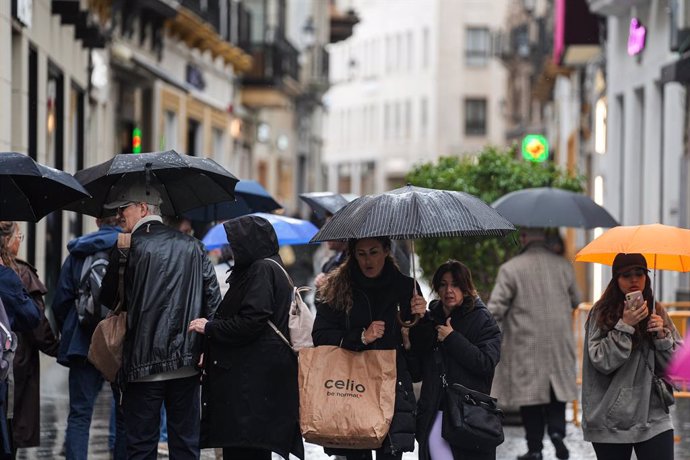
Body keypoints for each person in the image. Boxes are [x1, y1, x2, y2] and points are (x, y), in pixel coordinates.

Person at [100, 178, 221, 459]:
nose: (119, 215)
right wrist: (206, 349)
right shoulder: (194, 247)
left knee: (141, 446)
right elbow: (213, 302)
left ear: (143, 208)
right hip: (187, 363)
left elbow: (107, 298)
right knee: (185, 445)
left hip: (142, 365)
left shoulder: (126, 248)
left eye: (124, 209)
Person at [189, 215, 304, 460]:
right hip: (254, 381)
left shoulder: (261, 269)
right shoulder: (266, 267)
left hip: (251, 384)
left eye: (237, 242)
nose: (233, 247)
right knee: (250, 448)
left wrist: (210, 328)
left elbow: (252, 320)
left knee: (247, 450)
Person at [312, 236, 427, 460]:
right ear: (353, 254)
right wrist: (361, 337)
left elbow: (423, 344)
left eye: (374, 252)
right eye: (361, 253)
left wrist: (422, 317)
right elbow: (320, 335)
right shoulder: (338, 287)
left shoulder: (406, 287)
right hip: (352, 385)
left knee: (391, 453)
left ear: (386, 251)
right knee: (356, 455)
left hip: (393, 385)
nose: (368, 260)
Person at [488, 227, 580, 460]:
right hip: (559, 343)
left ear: (524, 239)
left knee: (530, 399)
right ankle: (558, 433)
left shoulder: (511, 269)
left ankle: (535, 449)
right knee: (556, 392)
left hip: (526, 343)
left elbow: (496, 308)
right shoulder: (564, 266)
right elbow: (577, 299)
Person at [582, 253, 681, 460]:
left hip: (653, 417)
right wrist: (624, 326)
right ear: (616, 279)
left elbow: (679, 369)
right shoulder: (601, 312)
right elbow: (601, 360)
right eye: (626, 275)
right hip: (610, 421)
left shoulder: (657, 311)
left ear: (647, 277)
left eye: (640, 273)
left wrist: (662, 336)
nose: (634, 280)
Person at [409, 260, 502, 460]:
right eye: (443, 284)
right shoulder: (430, 319)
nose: (449, 290)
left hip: (469, 416)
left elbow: (486, 363)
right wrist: (416, 328)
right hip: (435, 412)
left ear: (466, 287)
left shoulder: (483, 320)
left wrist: (452, 339)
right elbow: (416, 372)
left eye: (455, 284)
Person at [51, 216, 126, 460]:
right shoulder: (128, 246)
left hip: (82, 343)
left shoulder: (78, 251)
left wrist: (71, 328)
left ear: (97, 221)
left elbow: (60, 301)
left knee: (80, 414)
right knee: (123, 412)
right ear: (122, 217)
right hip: (120, 342)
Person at [0, 221, 59, 452]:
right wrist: (57, 349)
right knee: (9, 425)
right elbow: (34, 319)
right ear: (8, 240)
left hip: (12, 362)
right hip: (13, 362)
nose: (19, 241)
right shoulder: (15, 274)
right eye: (19, 236)